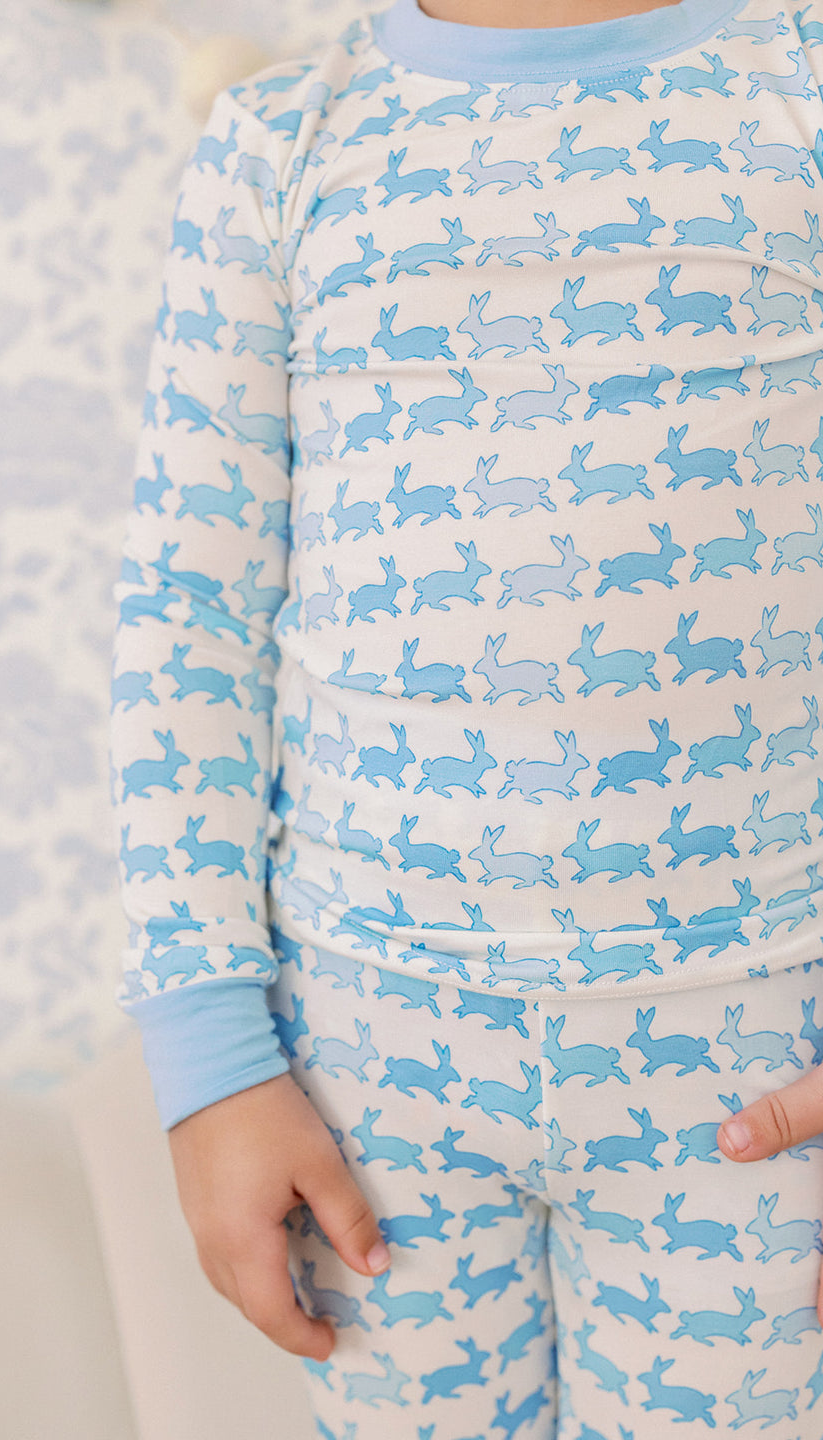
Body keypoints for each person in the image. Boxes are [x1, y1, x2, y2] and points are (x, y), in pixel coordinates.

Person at [108, 0, 823, 1431]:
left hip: (756, 1060)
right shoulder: (281, 147)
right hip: (368, 1078)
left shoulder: (797, 95)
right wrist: (210, 1064)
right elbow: (191, 617)